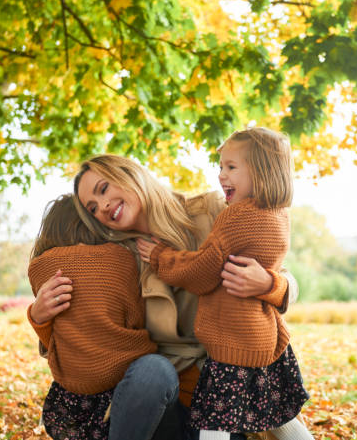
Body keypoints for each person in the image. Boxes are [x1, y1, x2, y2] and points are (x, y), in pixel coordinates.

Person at [29, 153, 300, 440]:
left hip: (226, 395)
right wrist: (39, 318)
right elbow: (87, 337)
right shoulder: (117, 259)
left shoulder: (213, 212)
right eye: (93, 208)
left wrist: (271, 284)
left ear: (129, 173)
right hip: (162, 403)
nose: (104, 207)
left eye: (104, 188)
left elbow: (287, 279)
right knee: (152, 370)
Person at [136, 128, 311, 440]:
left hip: (234, 345)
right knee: (281, 420)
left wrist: (161, 257)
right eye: (220, 167)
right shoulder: (278, 214)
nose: (221, 176)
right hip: (264, 338)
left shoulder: (237, 217)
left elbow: (202, 273)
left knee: (215, 426)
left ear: (262, 171)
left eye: (231, 167)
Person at [27, 194, 158, 440]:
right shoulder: (122, 260)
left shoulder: (40, 268)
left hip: (67, 405)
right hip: (120, 388)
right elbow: (135, 318)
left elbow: (53, 336)